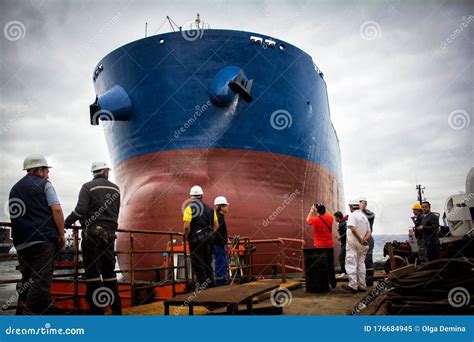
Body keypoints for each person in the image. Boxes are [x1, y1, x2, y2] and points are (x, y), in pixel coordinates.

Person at [9, 155, 66, 315]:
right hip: (43, 241)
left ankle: (25, 313)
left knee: (27, 279)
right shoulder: (45, 185)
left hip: (21, 242)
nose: (48, 174)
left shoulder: (15, 188)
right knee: (41, 280)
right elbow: (56, 209)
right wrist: (61, 234)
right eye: (47, 170)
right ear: (40, 170)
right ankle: (29, 316)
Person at [64, 161, 122, 315]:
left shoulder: (87, 187)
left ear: (94, 173)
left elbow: (80, 210)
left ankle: (97, 311)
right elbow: (116, 211)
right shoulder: (116, 189)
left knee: (93, 274)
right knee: (109, 272)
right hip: (110, 235)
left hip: (93, 234)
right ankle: (117, 309)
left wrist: (66, 223)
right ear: (106, 172)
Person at [183, 185, 218, 289]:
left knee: (198, 263)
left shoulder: (189, 209)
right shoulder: (211, 209)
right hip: (209, 238)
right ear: (201, 195)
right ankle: (211, 285)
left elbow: (186, 227)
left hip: (196, 240)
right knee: (208, 262)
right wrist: (211, 234)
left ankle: (202, 289)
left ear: (191, 197)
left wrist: (188, 237)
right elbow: (216, 225)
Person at [342, 199, 371, 293]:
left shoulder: (353, 216)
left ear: (350, 207)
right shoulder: (364, 217)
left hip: (353, 245)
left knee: (351, 264)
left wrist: (360, 240)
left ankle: (353, 286)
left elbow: (353, 229)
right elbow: (369, 232)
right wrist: (364, 240)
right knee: (361, 264)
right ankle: (362, 285)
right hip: (362, 246)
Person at [306, 203, 336, 288]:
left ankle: (323, 283)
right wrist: (323, 208)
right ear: (324, 211)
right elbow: (330, 215)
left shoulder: (314, 220)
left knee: (320, 266)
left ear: (317, 211)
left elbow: (308, 219)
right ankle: (333, 283)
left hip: (319, 247)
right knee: (330, 265)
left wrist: (312, 210)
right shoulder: (330, 218)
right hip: (329, 246)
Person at [213, 196, 230, 286]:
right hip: (218, 245)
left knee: (222, 263)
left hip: (220, 244)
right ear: (221, 207)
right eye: (226, 206)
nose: (227, 207)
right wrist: (223, 240)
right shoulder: (219, 218)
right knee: (220, 263)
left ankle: (222, 281)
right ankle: (220, 283)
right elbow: (216, 231)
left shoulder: (219, 217)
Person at [359, 198, 375, 286]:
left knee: (368, 260)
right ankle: (362, 280)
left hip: (368, 239)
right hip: (359, 239)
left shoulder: (370, 214)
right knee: (361, 260)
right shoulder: (358, 214)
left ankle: (369, 281)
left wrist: (362, 210)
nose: (361, 205)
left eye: (362, 204)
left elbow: (367, 217)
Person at [334, 211, 347, 277]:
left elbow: (347, 233)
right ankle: (345, 272)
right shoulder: (342, 223)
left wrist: (340, 237)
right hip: (344, 243)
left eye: (335, 217)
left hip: (345, 243)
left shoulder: (342, 223)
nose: (335, 219)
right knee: (344, 258)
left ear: (338, 217)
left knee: (341, 258)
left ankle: (344, 272)